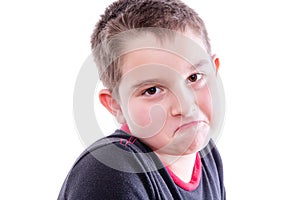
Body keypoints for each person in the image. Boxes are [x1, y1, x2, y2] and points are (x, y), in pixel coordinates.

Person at [58, 0, 226, 199]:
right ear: (115, 105)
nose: (186, 106)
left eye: (194, 77)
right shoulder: (114, 171)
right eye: (153, 90)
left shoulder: (207, 155)